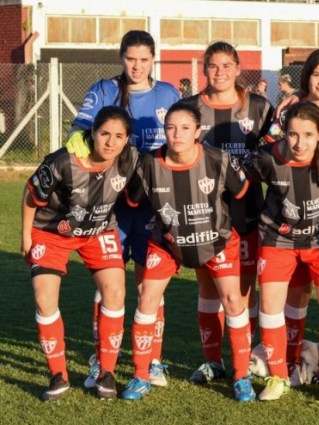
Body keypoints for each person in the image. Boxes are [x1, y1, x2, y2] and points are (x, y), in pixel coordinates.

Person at [67, 29, 180, 390]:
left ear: (153, 60)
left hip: (152, 207)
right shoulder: (103, 91)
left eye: (144, 59)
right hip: (110, 206)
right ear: (121, 58)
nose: (137, 65)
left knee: (151, 286)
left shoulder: (168, 94)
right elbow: (78, 134)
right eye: (131, 58)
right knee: (106, 286)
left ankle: (154, 360)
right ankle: (101, 358)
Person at [121, 101, 254, 402]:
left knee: (233, 301)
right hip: (167, 243)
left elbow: (241, 193)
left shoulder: (219, 159)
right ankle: (141, 374)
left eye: (184, 128)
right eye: (170, 127)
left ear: (197, 130)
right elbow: (133, 201)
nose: (176, 134)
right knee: (147, 300)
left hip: (217, 241)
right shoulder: (148, 164)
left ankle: (241, 376)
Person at [22, 106, 139, 401]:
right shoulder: (62, 161)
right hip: (51, 233)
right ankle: (58, 374)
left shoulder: (130, 159)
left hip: (98, 231)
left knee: (114, 290)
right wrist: (25, 237)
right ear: (93, 132)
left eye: (119, 136)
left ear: (127, 139)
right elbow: (30, 195)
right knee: (43, 296)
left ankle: (106, 373)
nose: (110, 142)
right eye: (104, 134)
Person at [244, 102, 319, 401]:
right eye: (292, 134)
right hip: (278, 239)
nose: (299, 142)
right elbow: (239, 184)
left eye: (308, 134)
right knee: (270, 304)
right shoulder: (267, 158)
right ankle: (278, 376)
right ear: (284, 133)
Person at [182, 41, 274, 385]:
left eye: (226, 66)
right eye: (213, 66)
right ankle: (212, 361)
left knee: (244, 292)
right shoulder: (189, 108)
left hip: (247, 210)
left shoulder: (261, 108)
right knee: (208, 291)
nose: (219, 73)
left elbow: (277, 149)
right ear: (204, 70)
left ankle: (245, 357)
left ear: (238, 69)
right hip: (202, 213)